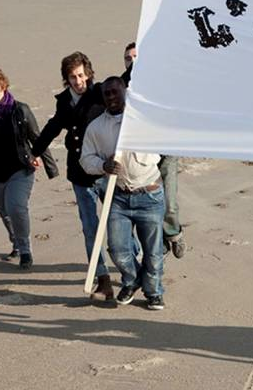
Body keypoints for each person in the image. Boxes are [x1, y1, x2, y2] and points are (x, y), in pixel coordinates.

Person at [29, 52, 116, 301]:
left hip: (106, 170)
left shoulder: (101, 92)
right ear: (66, 79)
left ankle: (133, 273)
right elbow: (54, 125)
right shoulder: (64, 101)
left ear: (88, 73)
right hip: (79, 173)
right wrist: (34, 151)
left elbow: (124, 86)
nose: (78, 81)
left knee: (118, 226)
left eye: (80, 75)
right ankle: (103, 281)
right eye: (72, 77)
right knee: (90, 228)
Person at [81, 76, 167, 310]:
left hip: (149, 194)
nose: (111, 97)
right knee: (118, 250)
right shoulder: (97, 128)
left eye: (115, 92)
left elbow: (164, 145)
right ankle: (132, 279)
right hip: (118, 196)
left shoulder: (144, 121)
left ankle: (154, 292)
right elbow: (86, 159)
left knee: (153, 252)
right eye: (106, 94)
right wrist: (103, 167)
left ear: (125, 91)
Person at [0, 67, 58, 269]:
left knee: (16, 207)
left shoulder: (19, 109)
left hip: (20, 169)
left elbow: (37, 137)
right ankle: (15, 242)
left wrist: (49, 166)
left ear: (3, 86)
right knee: (5, 211)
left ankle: (25, 250)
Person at [122, 41, 186, 259]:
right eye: (128, 58)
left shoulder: (161, 82)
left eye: (136, 57)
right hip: (140, 155)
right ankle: (160, 248)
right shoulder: (122, 86)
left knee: (169, 203)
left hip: (165, 149)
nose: (132, 61)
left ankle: (174, 234)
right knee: (149, 205)